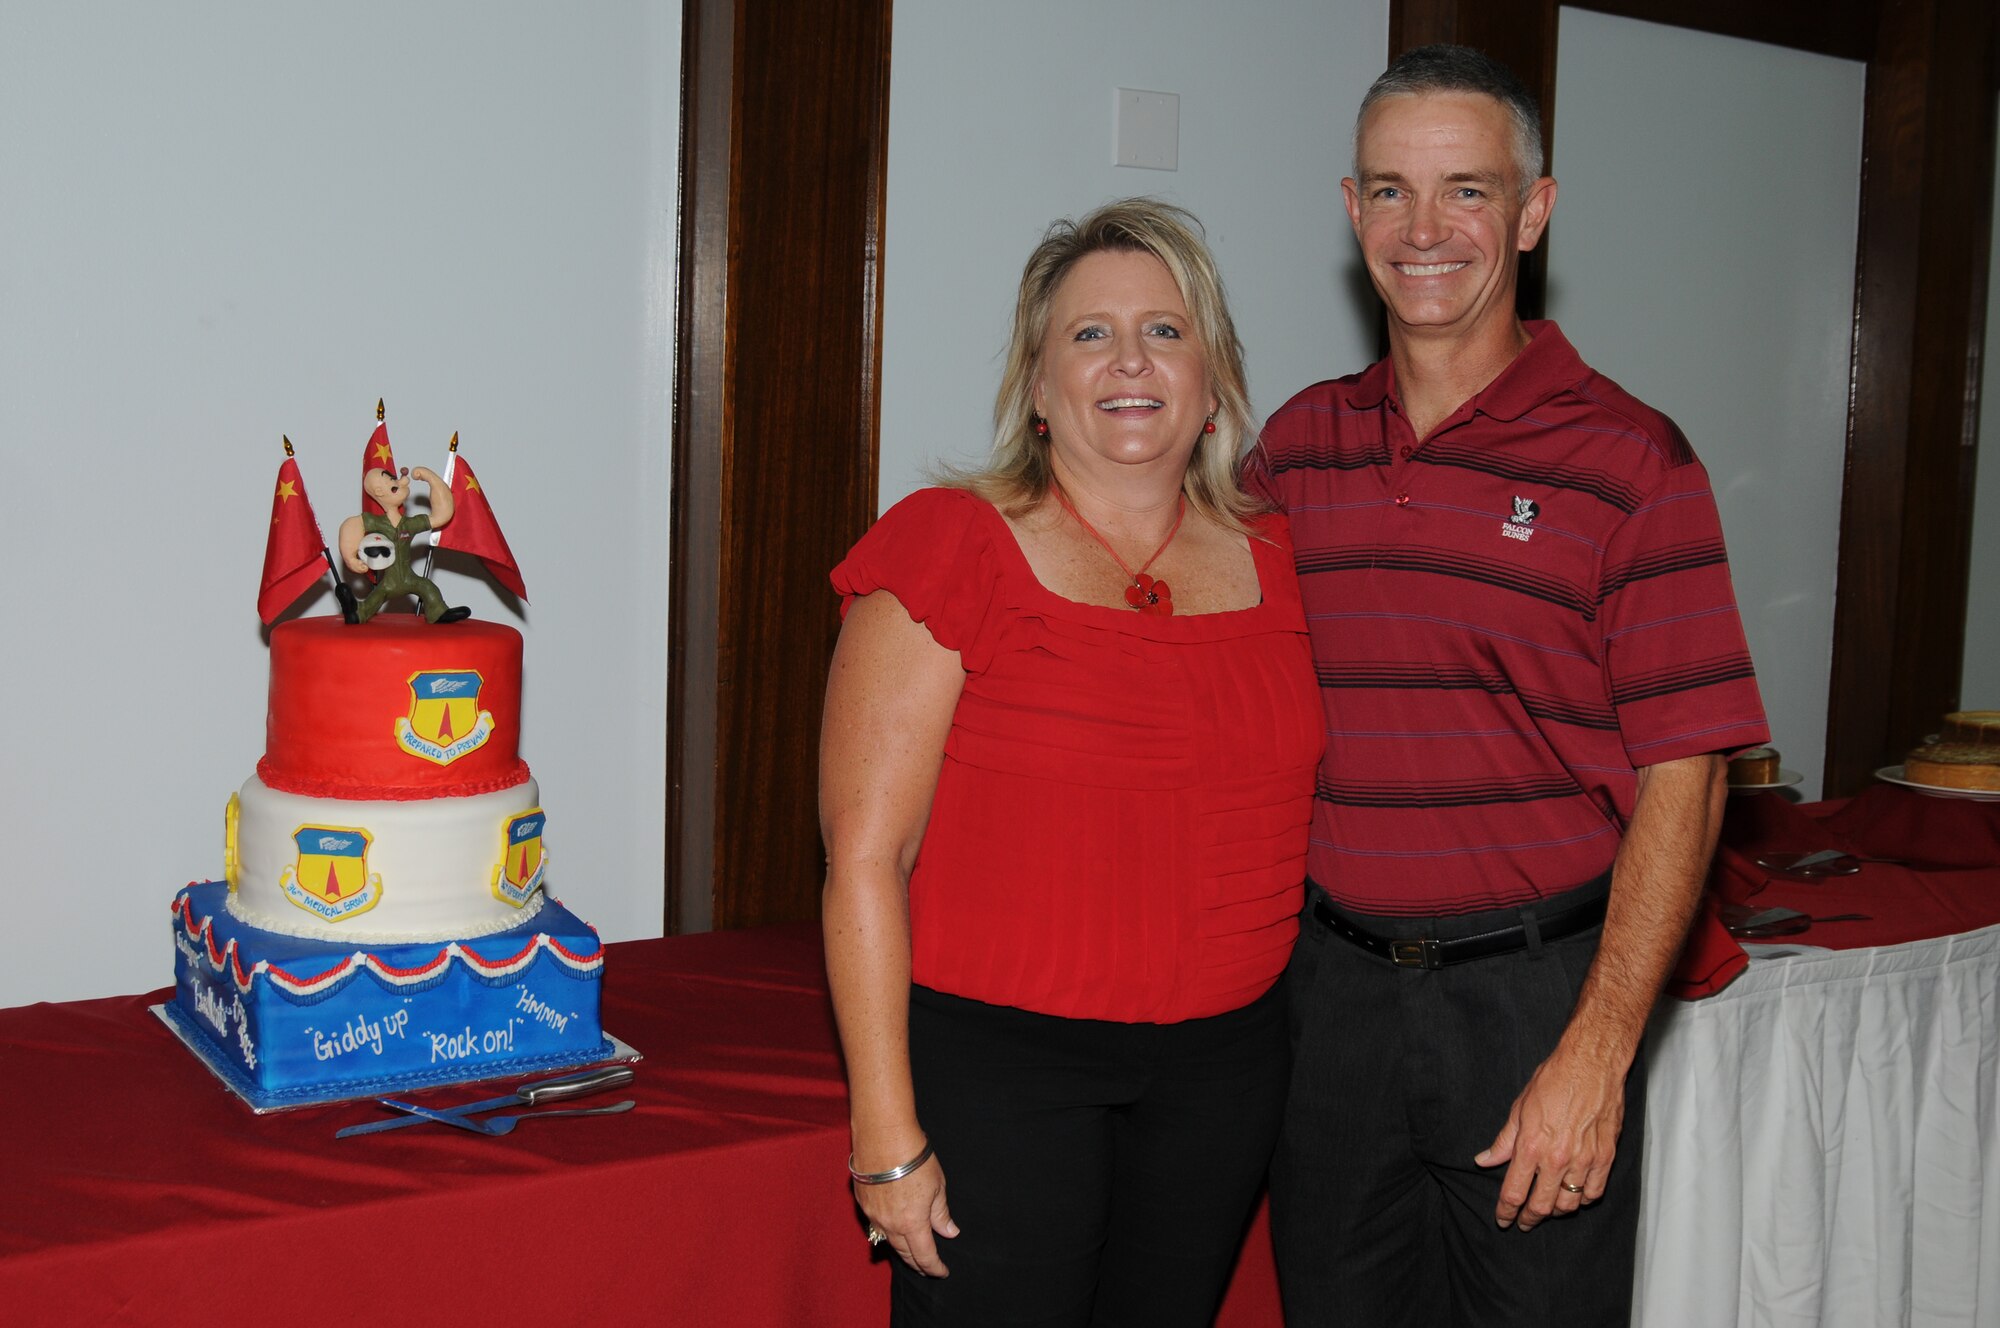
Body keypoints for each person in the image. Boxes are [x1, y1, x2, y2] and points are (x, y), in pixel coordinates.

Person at [1246, 45, 1770, 1326]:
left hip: (1536, 994)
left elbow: (1686, 775)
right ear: (1349, 206)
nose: (1423, 229)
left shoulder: (1631, 459)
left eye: (1465, 191)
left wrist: (1596, 1053)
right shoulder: (1292, 448)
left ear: (1532, 212)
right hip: (1332, 1002)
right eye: (1388, 191)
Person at [820, 197, 1321, 1326]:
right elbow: (864, 855)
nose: (1129, 360)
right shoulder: (951, 543)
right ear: (1039, 387)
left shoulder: (1286, 559)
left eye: (1165, 329)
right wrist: (885, 1132)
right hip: (1001, 1071)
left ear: (1213, 380)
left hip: (1227, 1073)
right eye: (1088, 334)